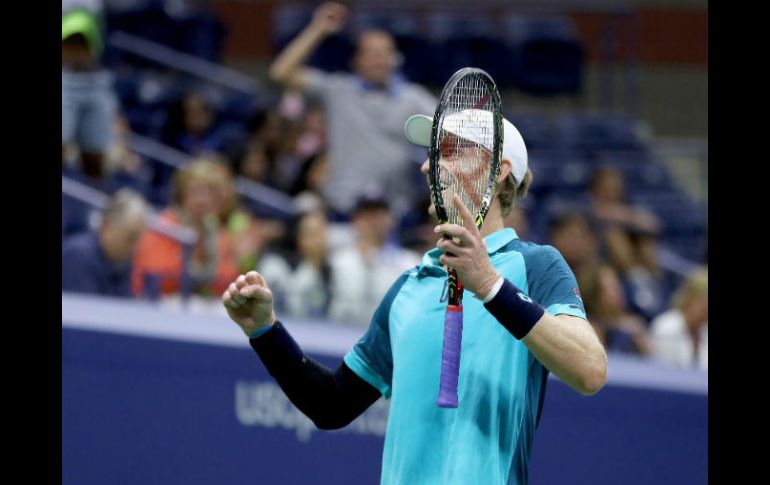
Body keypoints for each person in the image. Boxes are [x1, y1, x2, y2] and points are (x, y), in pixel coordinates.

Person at [221, 109, 607, 485]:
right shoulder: (408, 287)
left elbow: (589, 370)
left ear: (498, 171)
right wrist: (265, 331)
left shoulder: (536, 266)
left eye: (449, 153)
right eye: (431, 155)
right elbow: (331, 405)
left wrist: (490, 285)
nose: (427, 167)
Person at [268, 1, 437, 219]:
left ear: (395, 59)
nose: (379, 59)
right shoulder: (337, 90)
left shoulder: (412, 97)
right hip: (342, 209)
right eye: (372, 53)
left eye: (385, 52)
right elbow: (280, 72)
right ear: (356, 60)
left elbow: (447, 124)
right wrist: (318, 30)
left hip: (392, 214)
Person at [327, 190, 421, 327]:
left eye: (379, 215)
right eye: (366, 216)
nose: (373, 222)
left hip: (388, 335)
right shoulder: (336, 261)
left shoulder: (409, 263)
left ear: (390, 220)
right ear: (355, 220)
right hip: (339, 332)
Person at [62, 6, 119, 179]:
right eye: (69, 44)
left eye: (81, 45)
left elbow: (96, 158)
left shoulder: (103, 88)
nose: (76, 52)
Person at [62, 189, 148, 297]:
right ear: (106, 227)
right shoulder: (77, 256)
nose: (135, 247)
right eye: (130, 238)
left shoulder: (123, 261)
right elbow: (86, 306)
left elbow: (124, 304)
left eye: (139, 240)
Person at [650, 267, 708, 371]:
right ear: (692, 298)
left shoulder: (704, 330)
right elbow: (663, 369)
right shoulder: (665, 326)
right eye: (705, 304)